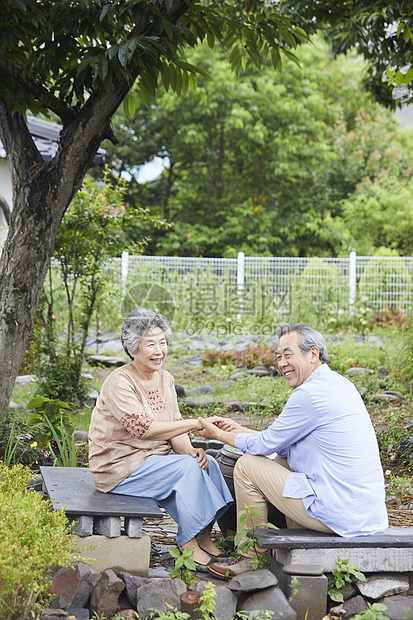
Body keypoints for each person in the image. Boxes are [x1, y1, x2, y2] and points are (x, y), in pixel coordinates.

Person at [198, 322, 388, 579]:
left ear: (313, 354)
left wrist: (220, 435)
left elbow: (265, 444)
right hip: (362, 513)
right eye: (278, 356)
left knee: (246, 466)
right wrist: (237, 428)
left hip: (340, 514)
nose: (282, 362)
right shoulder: (339, 384)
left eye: (288, 355)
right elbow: (279, 442)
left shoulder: (309, 395)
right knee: (281, 459)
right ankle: (281, 542)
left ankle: (251, 558)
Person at [88, 308, 233, 572]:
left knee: (206, 463)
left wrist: (191, 450)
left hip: (153, 460)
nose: (159, 350)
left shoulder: (166, 379)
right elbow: (144, 429)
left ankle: (204, 537)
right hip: (119, 466)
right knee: (187, 470)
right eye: (150, 344)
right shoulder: (119, 381)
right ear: (133, 349)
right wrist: (197, 423)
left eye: (163, 342)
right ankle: (187, 545)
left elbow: (174, 427)